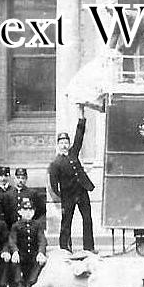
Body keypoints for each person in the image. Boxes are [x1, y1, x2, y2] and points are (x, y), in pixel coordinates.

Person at [49, 106, 95, 253]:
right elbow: (53, 185)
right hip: (68, 196)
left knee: (87, 219)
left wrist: (81, 118)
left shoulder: (74, 153)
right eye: (61, 143)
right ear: (58, 145)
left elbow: (79, 137)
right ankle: (65, 248)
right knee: (66, 222)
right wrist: (60, 198)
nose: (64, 145)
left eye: (66, 142)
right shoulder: (55, 163)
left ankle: (89, 248)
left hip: (82, 192)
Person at [8, 197, 47, 287]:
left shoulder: (37, 225)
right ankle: (19, 284)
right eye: (25, 210)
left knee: (40, 261)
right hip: (22, 254)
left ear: (34, 212)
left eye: (30, 210)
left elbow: (42, 239)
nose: (28, 212)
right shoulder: (16, 226)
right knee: (15, 260)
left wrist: (41, 252)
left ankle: (30, 284)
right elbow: (12, 240)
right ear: (20, 212)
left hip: (33, 254)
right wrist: (15, 252)